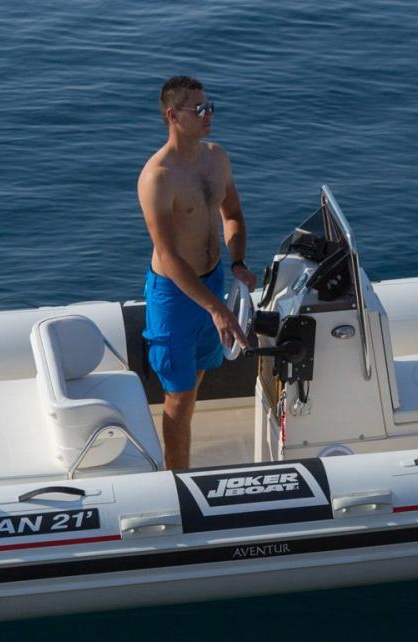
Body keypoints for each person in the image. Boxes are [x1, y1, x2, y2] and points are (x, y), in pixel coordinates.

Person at [137, 75, 258, 468]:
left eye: (210, 107)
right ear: (173, 116)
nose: (209, 114)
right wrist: (217, 309)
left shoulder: (215, 158)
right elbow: (168, 256)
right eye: (200, 109)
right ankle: (178, 483)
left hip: (213, 280)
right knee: (178, 396)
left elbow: (232, 214)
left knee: (199, 374)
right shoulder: (158, 177)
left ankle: (181, 465)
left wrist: (237, 261)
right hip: (175, 295)